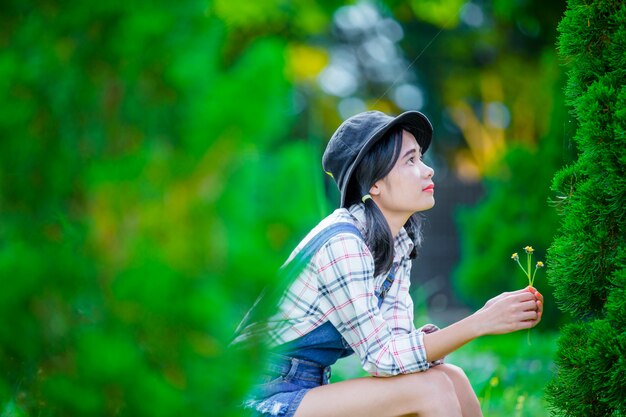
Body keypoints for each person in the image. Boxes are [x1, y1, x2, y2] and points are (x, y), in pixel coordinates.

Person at [236, 110, 544, 417]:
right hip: (255, 396)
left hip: (305, 390)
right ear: (374, 185)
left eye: (421, 158)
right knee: (429, 390)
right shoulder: (344, 244)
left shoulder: (395, 244)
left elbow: (397, 347)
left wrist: (436, 339)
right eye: (410, 161)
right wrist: (481, 321)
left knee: (451, 379)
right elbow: (381, 358)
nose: (428, 171)